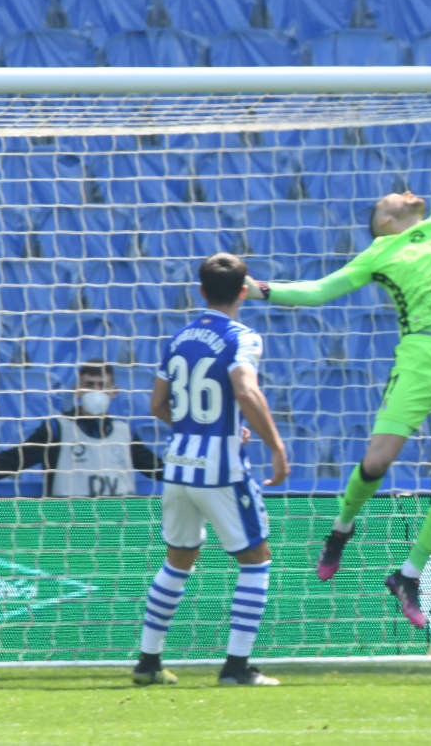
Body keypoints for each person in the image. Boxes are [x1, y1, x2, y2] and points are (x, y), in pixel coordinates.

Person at [242, 69, 431, 627]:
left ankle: (409, 574)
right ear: (385, 221)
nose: (403, 191)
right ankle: (341, 530)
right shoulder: (378, 253)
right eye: (392, 196)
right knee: (378, 460)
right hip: (421, 353)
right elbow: (321, 289)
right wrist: (265, 289)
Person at [132, 253, 288, 688]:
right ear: (244, 292)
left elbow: (158, 406)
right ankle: (237, 667)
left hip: (178, 464)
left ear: (200, 291)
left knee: (179, 558)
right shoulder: (243, 336)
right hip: (221, 468)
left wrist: (196, 429)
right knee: (256, 559)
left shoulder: (179, 338)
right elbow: (245, 388)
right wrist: (275, 445)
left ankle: (148, 662)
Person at [0, 361, 164, 498]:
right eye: (89, 385)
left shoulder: (123, 432)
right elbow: (10, 462)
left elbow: (157, 468)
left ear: (114, 391)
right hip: (68, 528)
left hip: (119, 528)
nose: (96, 392)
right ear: (77, 390)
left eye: (102, 386)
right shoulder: (57, 429)